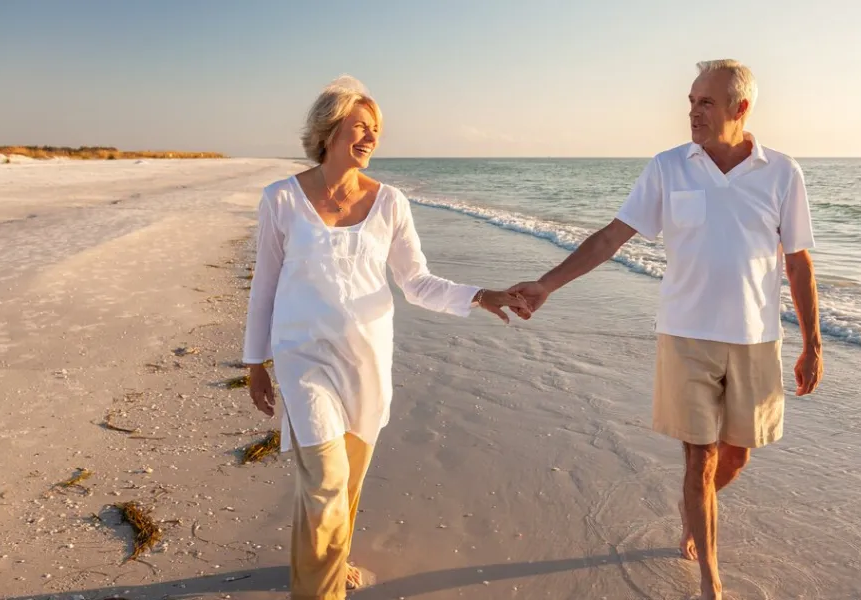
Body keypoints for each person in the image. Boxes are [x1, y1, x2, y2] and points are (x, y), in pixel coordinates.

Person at [509, 59, 823, 600]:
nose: (693, 112)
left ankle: (692, 506)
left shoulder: (782, 172)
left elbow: (798, 262)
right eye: (691, 101)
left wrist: (812, 343)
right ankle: (710, 580)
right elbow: (611, 237)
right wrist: (547, 284)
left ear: (740, 108)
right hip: (686, 335)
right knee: (698, 457)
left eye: (706, 102)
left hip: (756, 337)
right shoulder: (668, 166)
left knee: (737, 454)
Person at [241, 75, 529, 599]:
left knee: (343, 485)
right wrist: (255, 363)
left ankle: (332, 562)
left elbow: (416, 283)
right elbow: (265, 284)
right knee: (326, 482)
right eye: (360, 127)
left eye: (376, 129)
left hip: (366, 362)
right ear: (329, 130)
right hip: (303, 358)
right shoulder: (281, 199)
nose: (371, 137)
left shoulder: (391, 202)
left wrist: (481, 295)